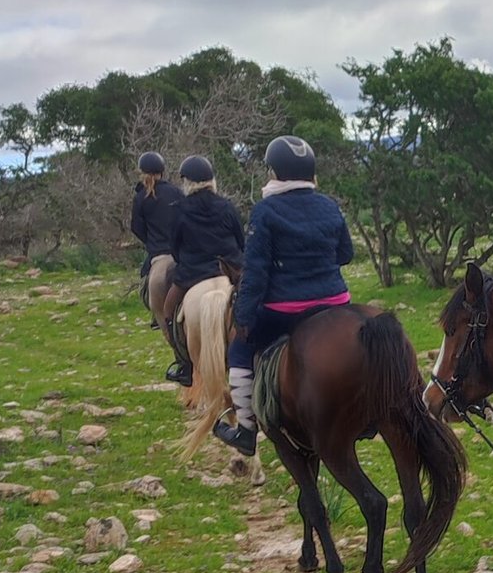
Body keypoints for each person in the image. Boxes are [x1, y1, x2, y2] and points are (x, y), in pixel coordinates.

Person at [213, 135, 354, 457]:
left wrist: (244, 317)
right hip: (336, 303)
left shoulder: (265, 211)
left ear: (274, 171)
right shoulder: (329, 205)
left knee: (239, 349)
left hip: (285, 310)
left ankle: (245, 429)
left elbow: (256, 272)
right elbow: (346, 253)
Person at [160, 155, 245, 383]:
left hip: (192, 274)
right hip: (228, 271)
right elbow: (241, 241)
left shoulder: (179, 210)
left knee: (168, 311)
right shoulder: (227, 206)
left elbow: (174, 248)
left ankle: (184, 364)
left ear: (187, 182)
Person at [129, 151, 184, 333]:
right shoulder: (176, 192)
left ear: (142, 172)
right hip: (180, 251)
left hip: (158, 253)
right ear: (162, 171)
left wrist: (150, 241)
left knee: (146, 280)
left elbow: (136, 227)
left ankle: (156, 315)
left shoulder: (140, 197)